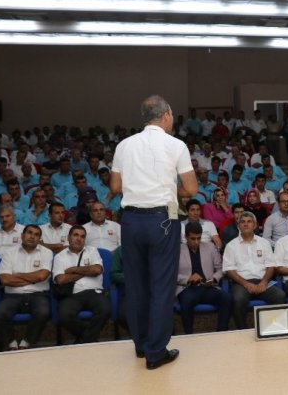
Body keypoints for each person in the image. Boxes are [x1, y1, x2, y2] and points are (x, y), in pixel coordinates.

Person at [110, 94, 198, 370]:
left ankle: (141, 344)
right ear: (167, 115)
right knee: (161, 286)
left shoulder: (124, 145)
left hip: (131, 221)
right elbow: (192, 189)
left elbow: (114, 187)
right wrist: (173, 190)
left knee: (137, 285)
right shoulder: (175, 145)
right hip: (161, 221)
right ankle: (156, 351)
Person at [0, 224, 53, 351]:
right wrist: (32, 279)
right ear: (22, 235)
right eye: (29, 233)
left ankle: (28, 341)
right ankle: (10, 343)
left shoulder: (46, 253)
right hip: (12, 295)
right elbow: (5, 279)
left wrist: (17, 275)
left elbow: (42, 276)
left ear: (40, 239)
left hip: (38, 294)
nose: (32, 236)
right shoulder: (9, 253)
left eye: (36, 235)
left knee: (43, 312)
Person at [222, 211, 286, 329]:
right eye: (243, 222)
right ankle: (242, 331)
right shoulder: (231, 246)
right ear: (238, 226)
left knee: (279, 296)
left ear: (255, 225)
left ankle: (272, 328)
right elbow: (229, 270)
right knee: (238, 299)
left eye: (249, 222)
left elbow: (271, 265)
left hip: (262, 281)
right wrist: (246, 284)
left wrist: (264, 282)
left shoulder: (264, 243)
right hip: (241, 283)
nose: (246, 224)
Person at [52, 225, 111, 344]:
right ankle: (89, 339)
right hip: (72, 294)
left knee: (105, 310)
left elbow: (97, 270)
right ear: (68, 238)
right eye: (75, 235)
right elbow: (60, 279)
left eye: (82, 236)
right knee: (64, 315)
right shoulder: (60, 256)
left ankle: (83, 341)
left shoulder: (93, 251)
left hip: (94, 292)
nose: (79, 239)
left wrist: (72, 269)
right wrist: (86, 271)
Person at [176, 222, 232, 334]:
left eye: (199, 238)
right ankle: (189, 335)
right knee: (186, 302)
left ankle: (221, 333)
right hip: (187, 288)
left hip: (207, 287)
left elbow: (221, 269)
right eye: (193, 238)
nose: (196, 242)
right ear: (186, 237)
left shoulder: (210, 247)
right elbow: (171, 274)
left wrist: (215, 278)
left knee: (227, 298)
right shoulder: (177, 250)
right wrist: (188, 278)